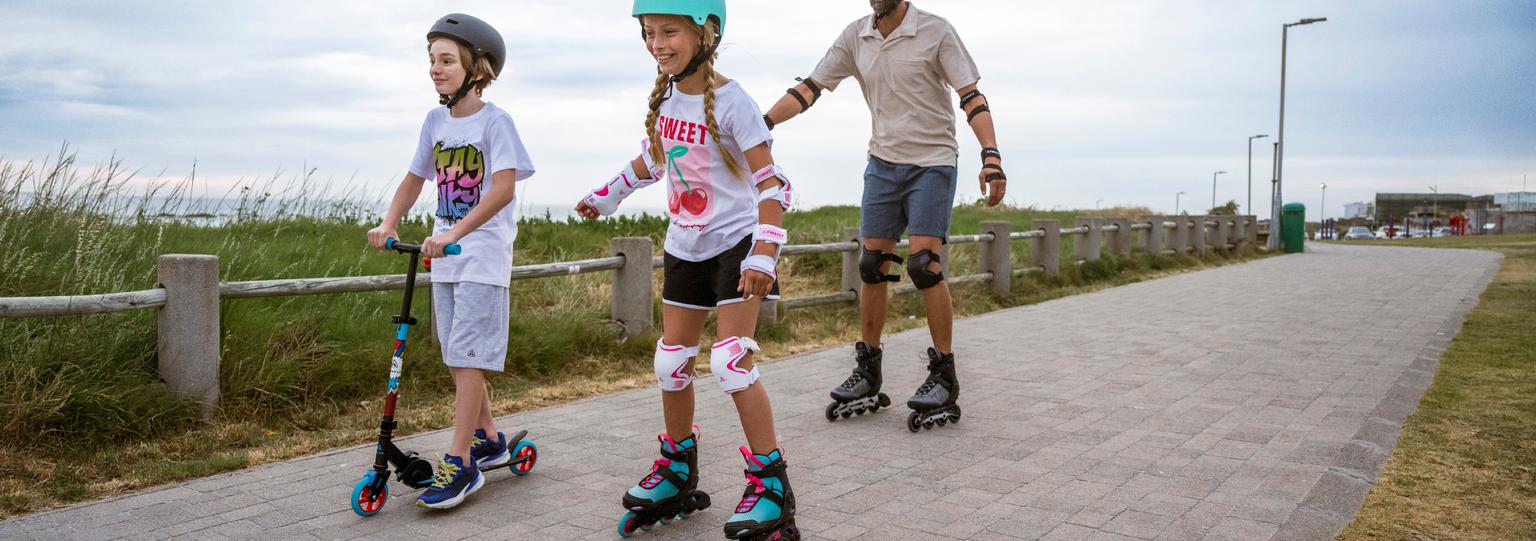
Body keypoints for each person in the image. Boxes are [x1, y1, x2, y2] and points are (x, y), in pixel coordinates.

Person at [576, 2, 799, 538]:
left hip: (737, 244)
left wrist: (764, 253)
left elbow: (774, 184)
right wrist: (605, 197)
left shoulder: (736, 103)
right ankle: (677, 470)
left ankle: (771, 485)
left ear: (707, 32)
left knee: (731, 362)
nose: (658, 43)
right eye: (650, 33)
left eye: (670, 32)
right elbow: (656, 160)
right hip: (686, 245)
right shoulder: (670, 97)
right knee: (670, 363)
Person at [761, 0, 1007, 431]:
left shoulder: (935, 30)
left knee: (924, 266)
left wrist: (991, 156)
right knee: (872, 264)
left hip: (932, 162)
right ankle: (869, 368)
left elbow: (971, 96)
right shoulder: (857, 35)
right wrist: (761, 124)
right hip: (882, 163)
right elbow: (810, 88)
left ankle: (944, 374)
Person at [365, 13, 536, 510]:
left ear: (476, 68)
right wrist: (390, 222)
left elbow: (503, 189)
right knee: (458, 356)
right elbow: (415, 177)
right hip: (445, 258)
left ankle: (460, 464)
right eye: (431, 61)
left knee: (466, 358)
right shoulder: (435, 121)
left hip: (479, 257)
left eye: (446, 61)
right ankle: (488, 439)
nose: (435, 69)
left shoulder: (496, 121)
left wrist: (454, 233)